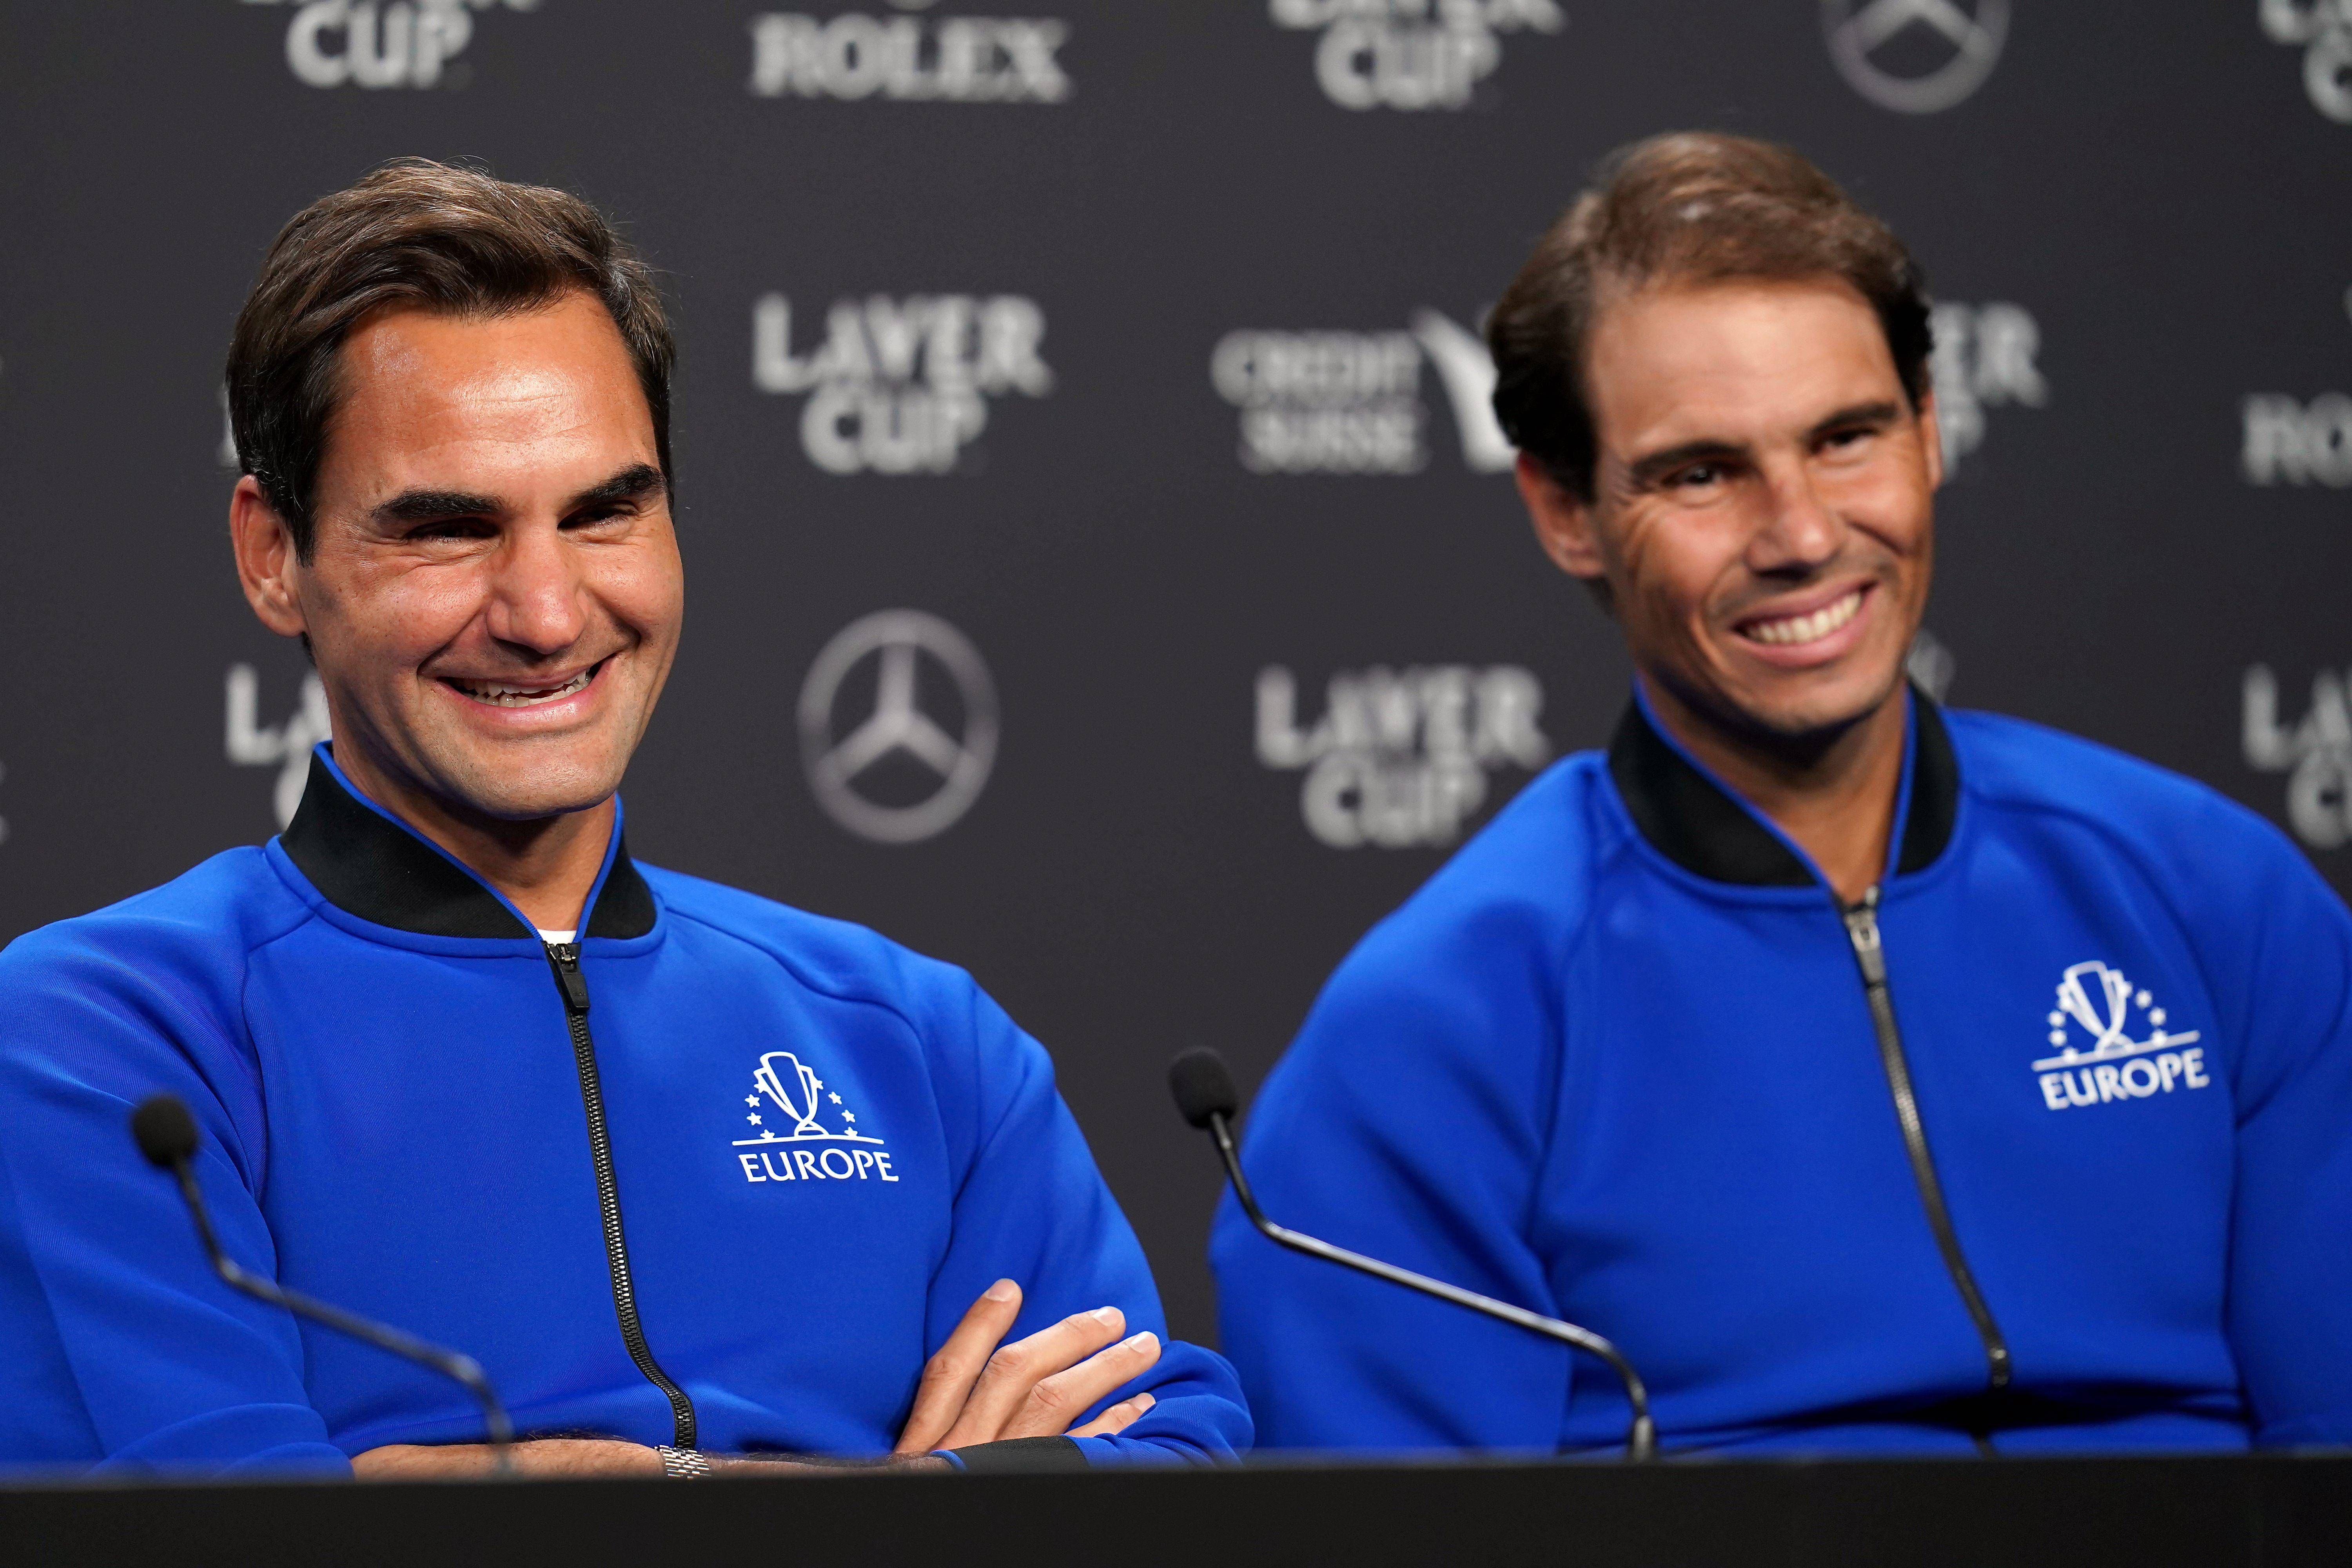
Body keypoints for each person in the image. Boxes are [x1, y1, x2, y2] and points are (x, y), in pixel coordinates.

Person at [0, 160, 1248, 1477]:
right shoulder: (106, 1038)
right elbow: (228, 1527)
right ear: (274, 556)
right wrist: (910, 1508)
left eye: (605, 512)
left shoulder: (915, 1037)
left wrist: (518, 1485)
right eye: (449, 529)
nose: (546, 615)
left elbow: (1179, 1466)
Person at [1212, 132, 2352, 1457]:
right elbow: (1399, 1542)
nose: (1804, 535)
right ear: (1567, 512)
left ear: (1930, 433)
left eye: (1848, 438)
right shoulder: (1434, 1028)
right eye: (1702, 472)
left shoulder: (2213, 898)